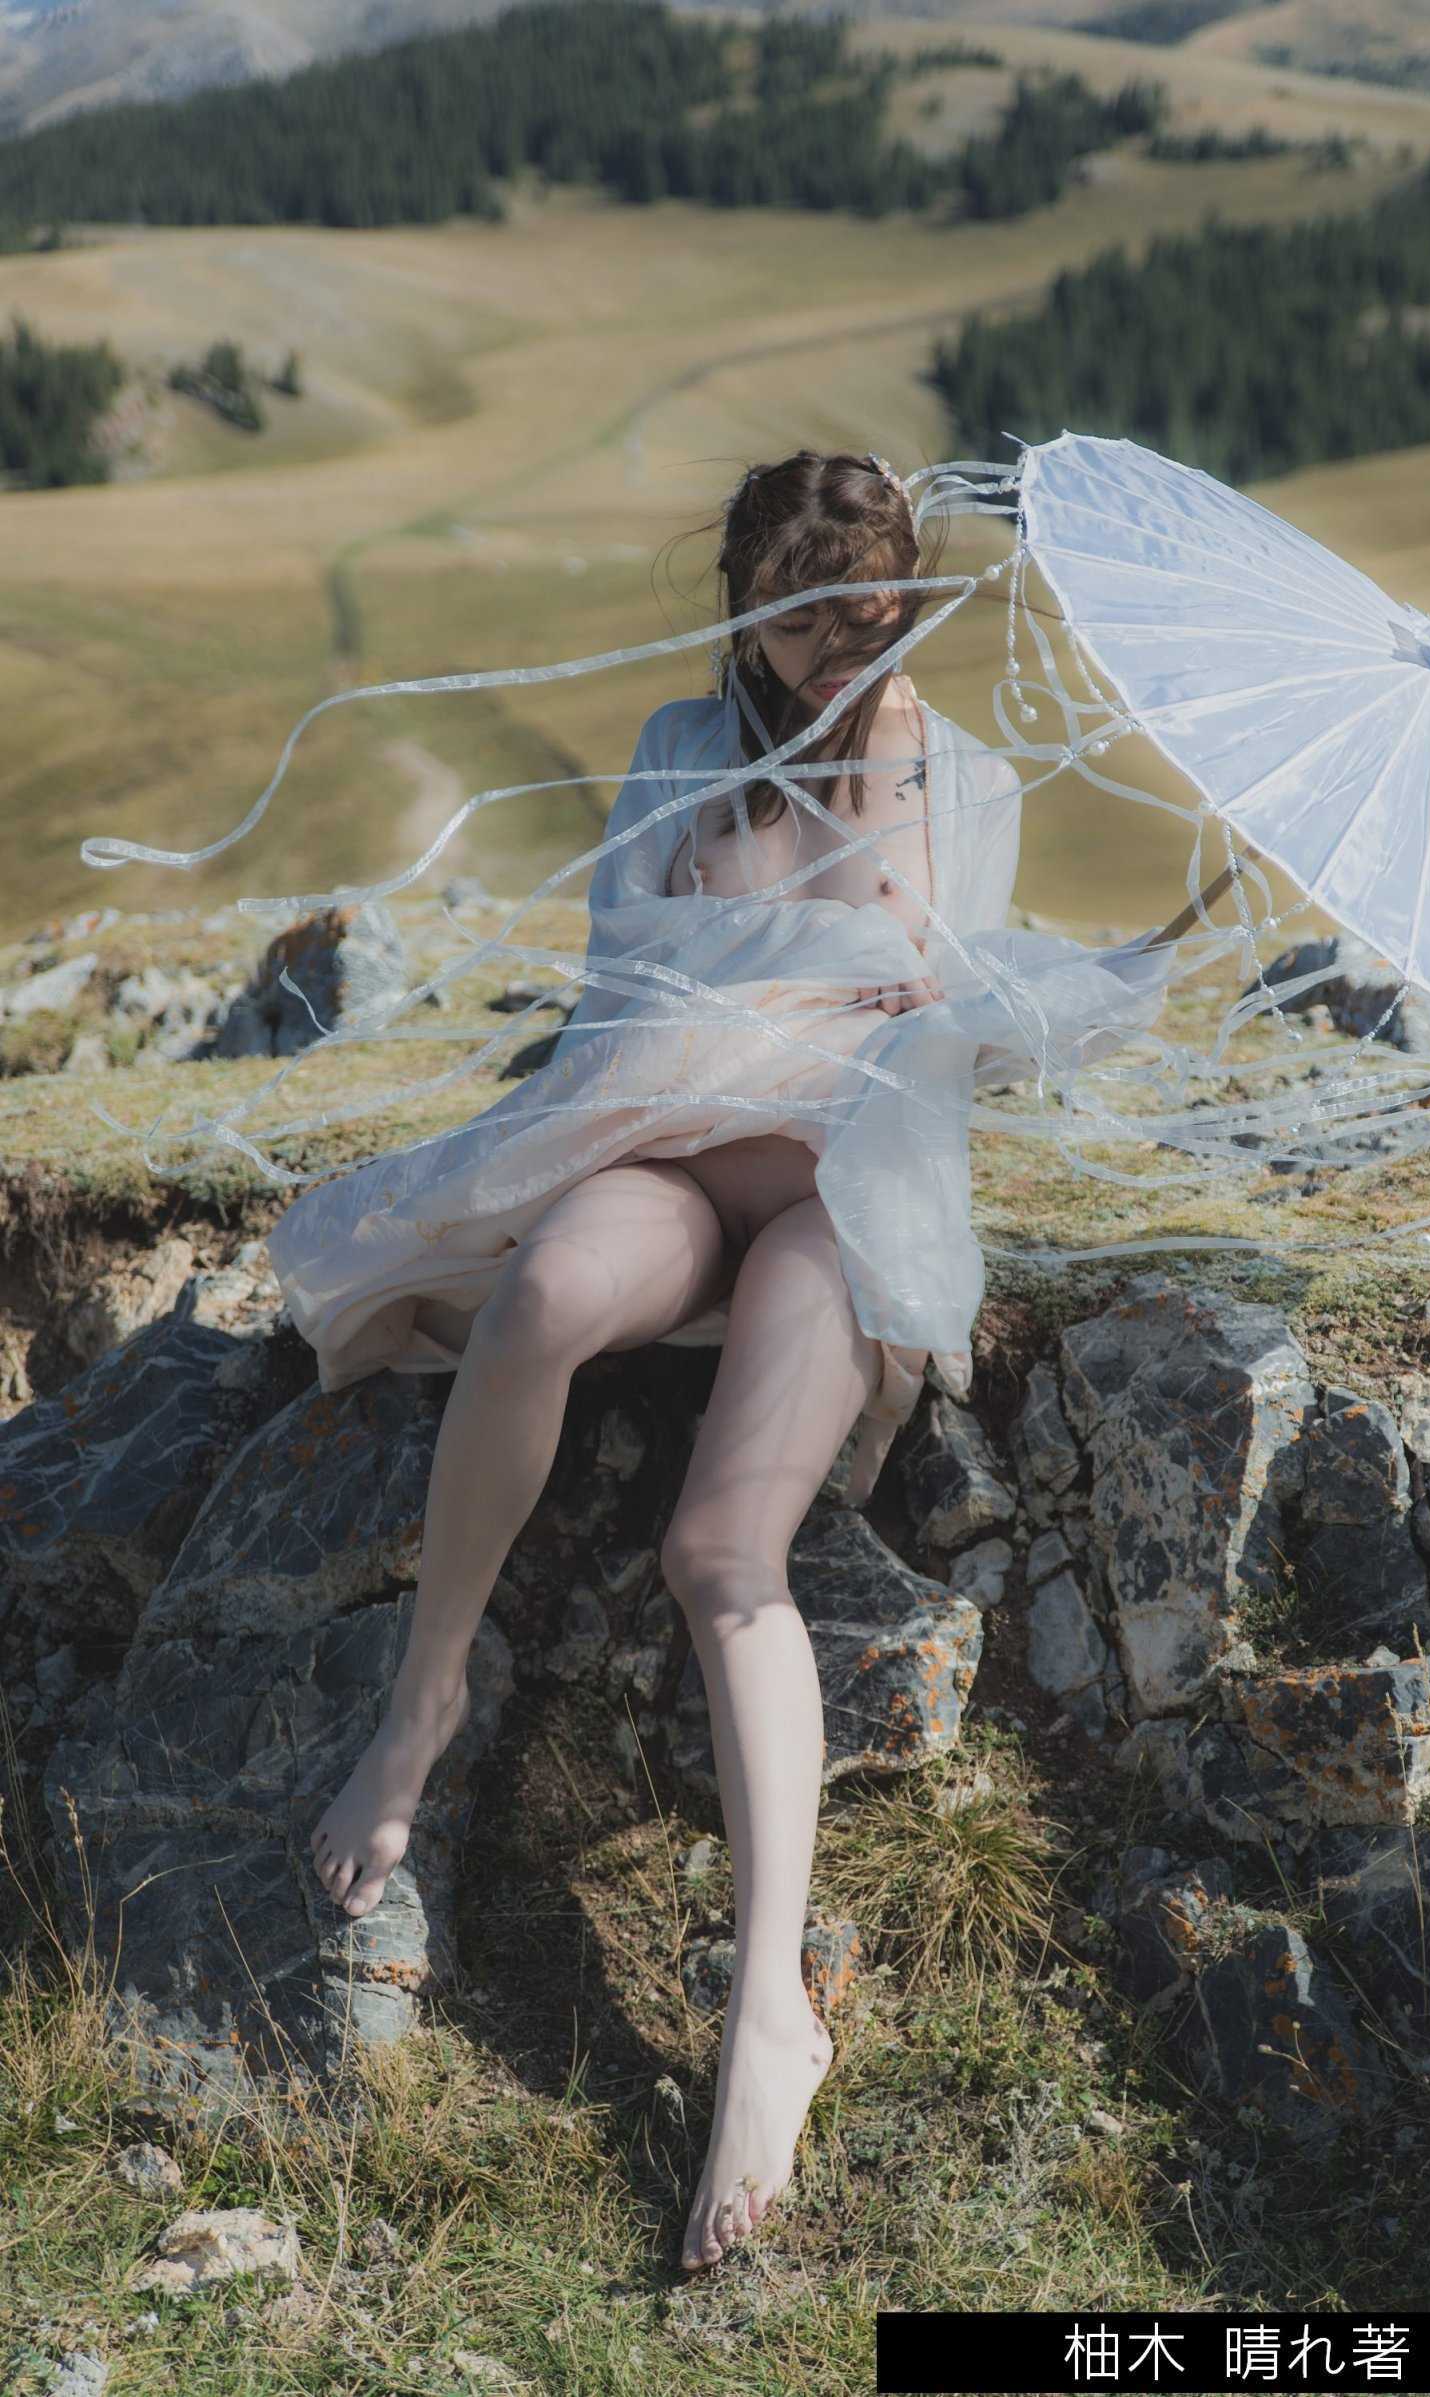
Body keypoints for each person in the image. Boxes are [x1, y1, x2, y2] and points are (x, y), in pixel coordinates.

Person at [268, 448, 1193, 2272]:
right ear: (746, 613)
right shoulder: (680, 752)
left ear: (902, 605)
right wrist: (774, 979)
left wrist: (993, 992)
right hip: (677, 1156)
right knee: (541, 1297)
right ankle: (421, 1703)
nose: (825, 667)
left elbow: (954, 1048)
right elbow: (619, 1011)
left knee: (721, 1550)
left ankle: (771, 2015)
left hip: (843, 1201)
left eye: (859, 630)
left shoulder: (967, 779)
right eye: (791, 631)